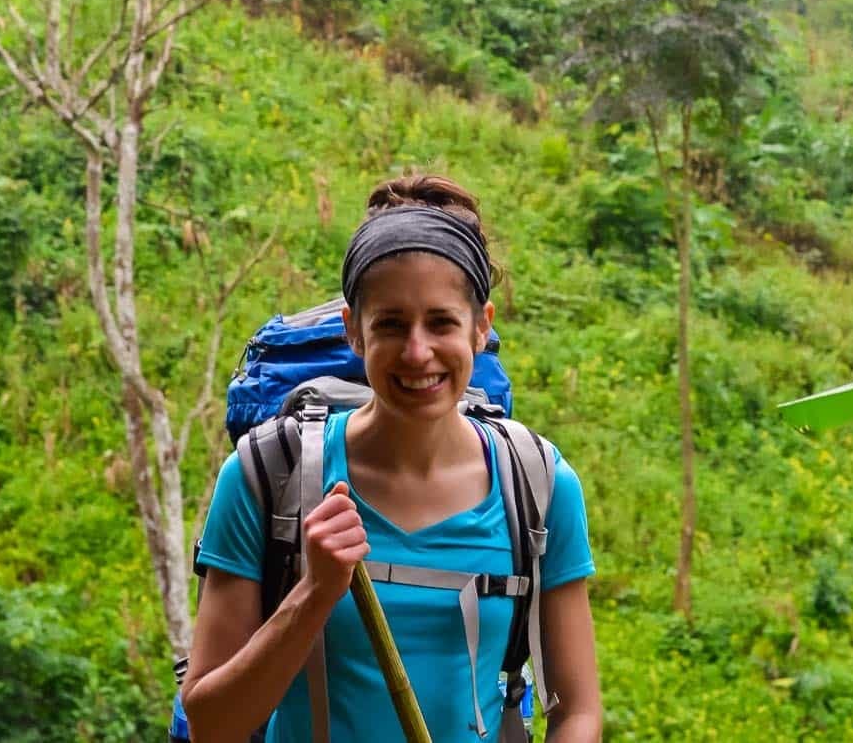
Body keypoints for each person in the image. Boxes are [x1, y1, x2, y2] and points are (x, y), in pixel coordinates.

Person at [182, 172, 601, 743]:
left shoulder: (538, 485)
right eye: (391, 325)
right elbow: (212, 724)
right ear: (354, 331)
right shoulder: (266, 475)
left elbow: (577, 712)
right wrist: (313, 592)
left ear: (482, 327)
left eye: (441, 323)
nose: (417, 352)